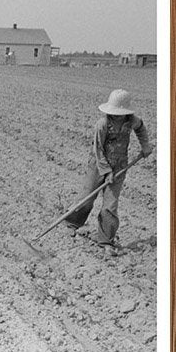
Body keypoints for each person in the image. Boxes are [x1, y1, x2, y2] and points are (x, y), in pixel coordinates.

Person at [64, 88, 153, 246]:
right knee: (87, 197)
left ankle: (105, 240)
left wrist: (145, 145)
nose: (116, 116)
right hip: (98, 164)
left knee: (110, 205)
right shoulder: (102, 124)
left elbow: (141, 129)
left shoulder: (132, 120)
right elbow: (97, 149)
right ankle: (72, 224)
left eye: (120, 113)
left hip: (119, 165)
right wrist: (106, 171)